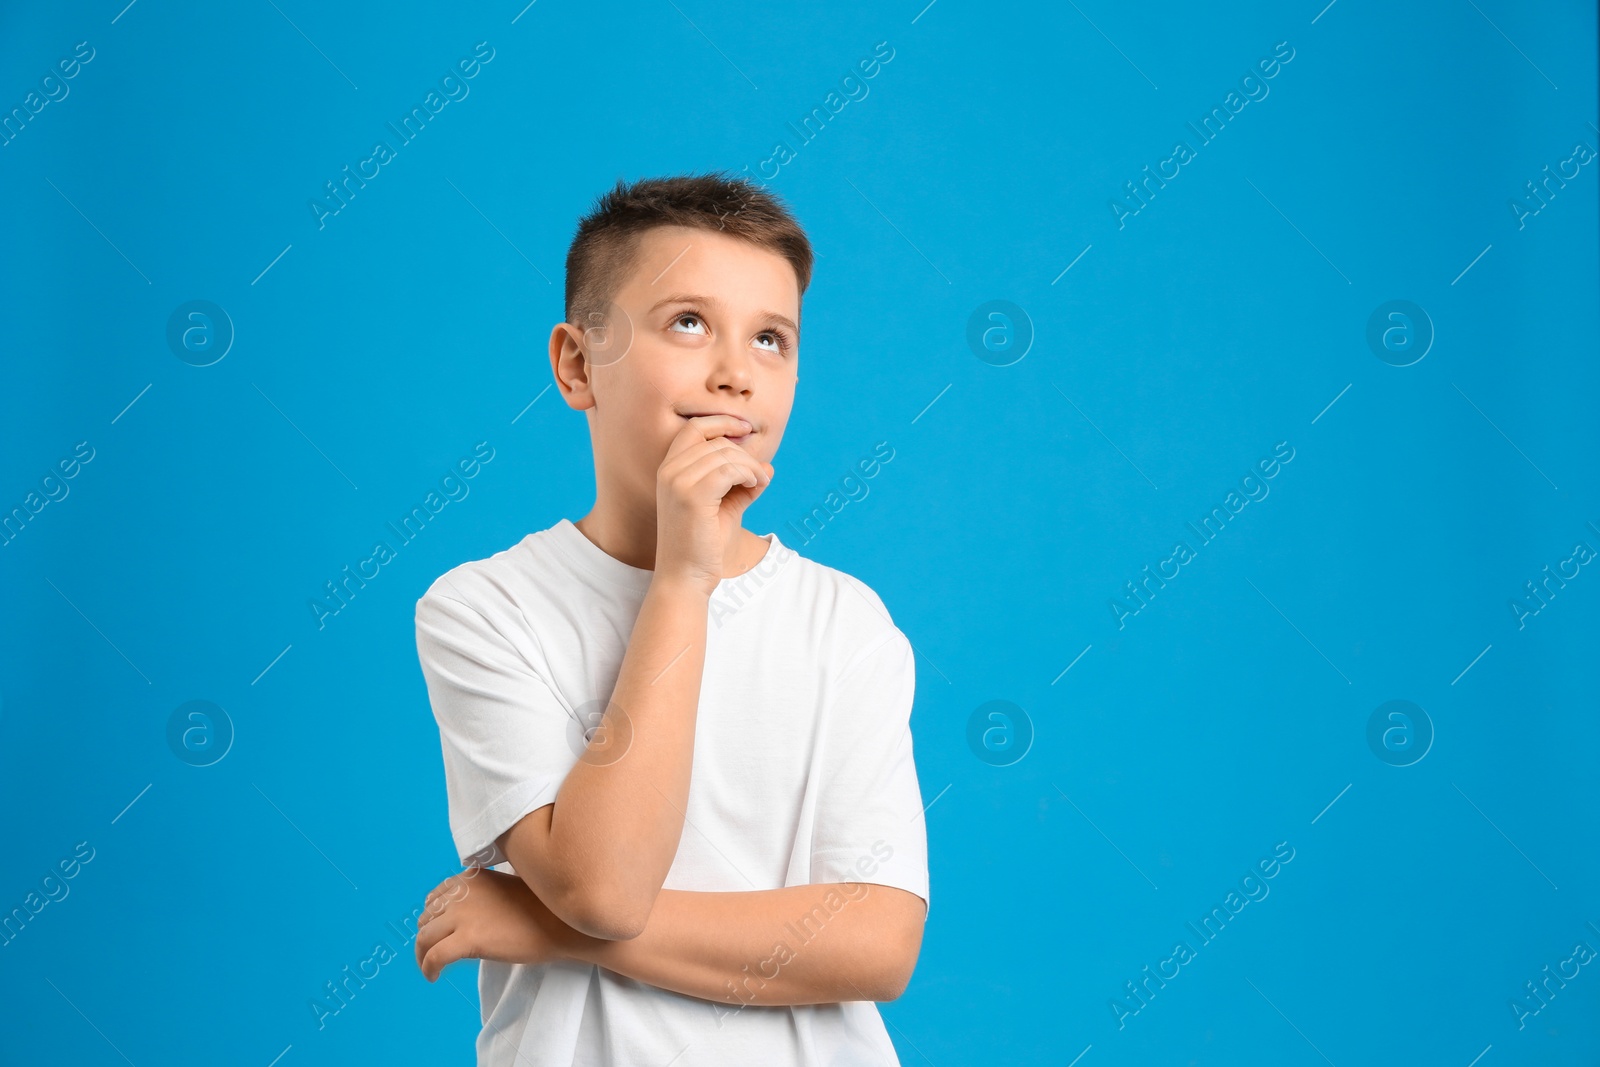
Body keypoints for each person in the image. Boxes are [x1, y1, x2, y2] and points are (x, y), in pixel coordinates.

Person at [409, 172, 929, 1065]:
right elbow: (604, 885)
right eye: (688, 323)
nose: (735, 372)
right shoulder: (484, 609)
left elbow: (877, 943)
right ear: (578, 365)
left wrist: (552, 928)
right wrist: (683, 580)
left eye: (772, 339)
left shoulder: (845, 621)